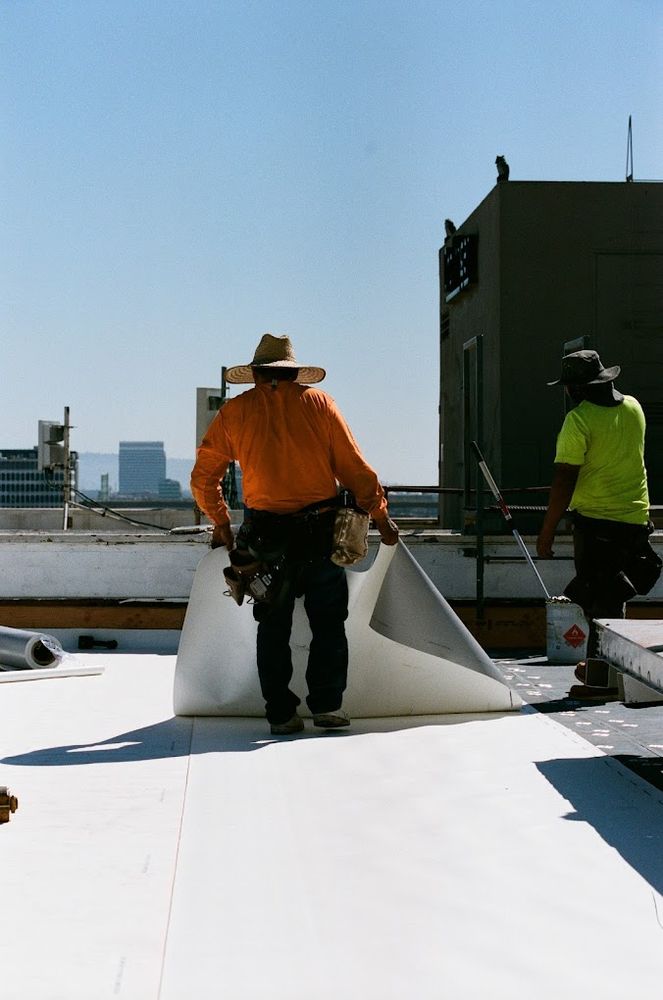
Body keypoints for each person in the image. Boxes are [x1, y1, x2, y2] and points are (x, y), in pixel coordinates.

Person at [191, 333, 399, 734]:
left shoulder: (236, 412)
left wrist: (221, 525)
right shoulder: (319, 405)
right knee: (328, 624)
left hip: (264, 535)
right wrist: (382, 517)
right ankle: (326, 707)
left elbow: (203, 477)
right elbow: (354, 469)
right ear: (293, 372)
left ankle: (281, 714)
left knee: (272, 625)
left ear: (254, 373)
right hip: (320, 534)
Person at [536, 349, 660, 698]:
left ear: (577, 388)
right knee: (611, 599)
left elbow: (564, 480)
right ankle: (604, 668)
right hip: (636, 520)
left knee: (598, 604)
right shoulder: (634, 407)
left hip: (596, 525)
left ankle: (599, 681)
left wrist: (546, 531)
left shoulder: (579, 420)